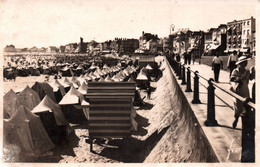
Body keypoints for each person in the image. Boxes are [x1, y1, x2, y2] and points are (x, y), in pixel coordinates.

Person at [230, 56, 250, 129]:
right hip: (237, 90)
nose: (245, 64)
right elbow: (232, 79)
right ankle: (236, 118)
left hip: (245, 89)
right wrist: (238, 80)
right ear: (240, 64)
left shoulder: (247, 71)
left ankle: (245, 125)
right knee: (237, 106)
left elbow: (250, 78)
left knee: (245, 105)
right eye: (243, 63)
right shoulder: (235, 71)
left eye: (246, 62)